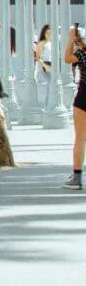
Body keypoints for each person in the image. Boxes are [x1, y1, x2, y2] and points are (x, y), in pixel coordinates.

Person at [63, 24, 86, 189]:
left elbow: (67, 58)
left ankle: (77, 178)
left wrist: (71, 39)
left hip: (83, 97)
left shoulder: (82, 54)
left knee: (80, 138)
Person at [34, 24, 53, 105]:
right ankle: (47, 103)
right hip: (44, 67)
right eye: (47, 33)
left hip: (51, 65)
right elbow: (38, 58)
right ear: (43, 33)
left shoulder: (50, 42)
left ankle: (48, 102)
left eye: (50, 33)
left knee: (51, 84)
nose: (48, 35)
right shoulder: (41, 43)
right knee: (50, 84)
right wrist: (44, 66)